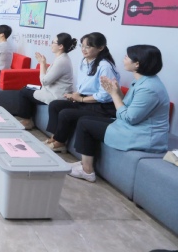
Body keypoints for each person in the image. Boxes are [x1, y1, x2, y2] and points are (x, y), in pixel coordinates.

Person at [69, 45, 169, 182]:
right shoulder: (142, 81)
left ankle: (87, 171)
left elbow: (129, 118)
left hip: (143, 135)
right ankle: (84, 163)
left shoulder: (149, 88)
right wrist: (116, 92)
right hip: (133, 127)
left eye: (127, 57)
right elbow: (127, 106)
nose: (123, 59)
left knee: (85, 125)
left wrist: (114, 94)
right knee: (85, 119)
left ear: (137, 64)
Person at [44, 32, 119, 153]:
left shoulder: (105, 66)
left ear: (100, 48)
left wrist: (82, 99)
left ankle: (60, 143)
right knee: (55, 105)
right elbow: (84, 85)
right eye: (82, 46)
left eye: (88, 47)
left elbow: (104, 95)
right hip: (85, 101)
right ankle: (55, 137)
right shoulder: (84, 61)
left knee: (66, 114)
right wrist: (76, 95)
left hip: (101, 107)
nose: (83, 49)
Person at [15, 33, 77, 129]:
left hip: (55, 95)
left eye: (53, 42)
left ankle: (27, 121)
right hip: (50, 89)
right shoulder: (61, 58)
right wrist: (42, 63)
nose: (51, 44)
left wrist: (42, 64)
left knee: (24, 92)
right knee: (27, 87)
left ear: (60, 46)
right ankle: (28, 119)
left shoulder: (62, 61)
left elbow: (44, 81)